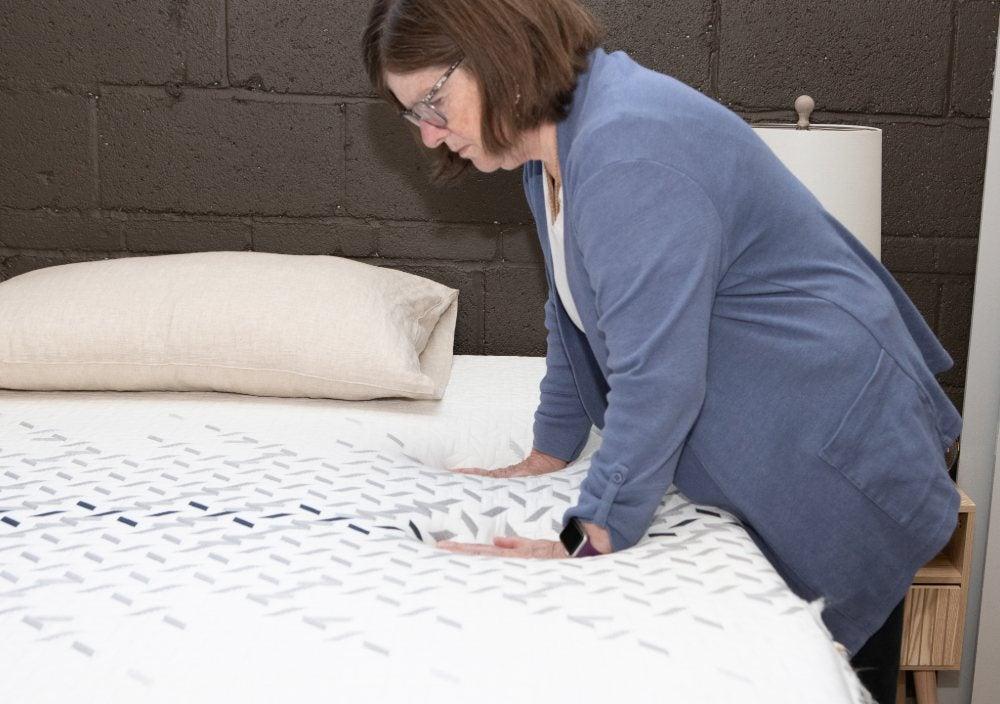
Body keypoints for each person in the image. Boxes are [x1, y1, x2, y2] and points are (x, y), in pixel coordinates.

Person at [362, 1, 962, 701]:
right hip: (795, 423)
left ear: (497, 52)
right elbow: (571, 305)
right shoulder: (550, 153)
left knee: (851, 676)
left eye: (432, 103)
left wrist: (590, 532)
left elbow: (658, 376)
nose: (430, 137)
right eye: (414, 116)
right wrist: (547, 453)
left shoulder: (627, 148)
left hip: (835, 446)